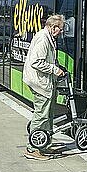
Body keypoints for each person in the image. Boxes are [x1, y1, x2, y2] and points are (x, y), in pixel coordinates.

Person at [23, 14, 66, 161]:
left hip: (44, 82)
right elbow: (36, 62)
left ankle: (44, 144)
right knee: (41, 115)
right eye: (60, 29)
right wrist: (55, 70)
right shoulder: (43, 38)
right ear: (53, 27)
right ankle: (33, 148)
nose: (61, 32)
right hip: (40, 83)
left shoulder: (49, 37)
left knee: (48, 114)